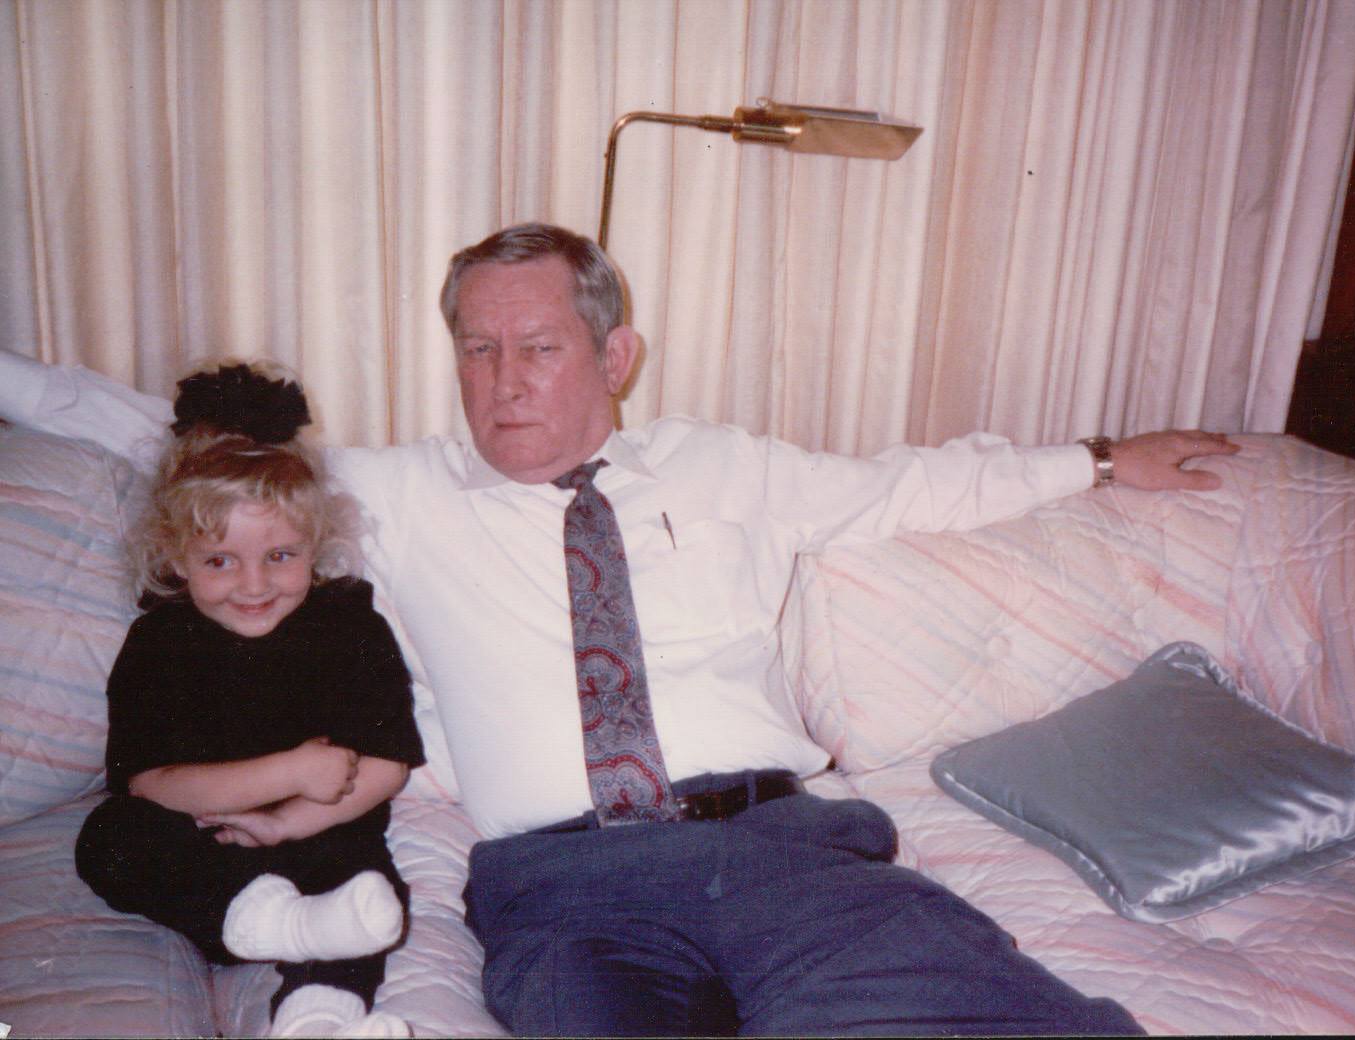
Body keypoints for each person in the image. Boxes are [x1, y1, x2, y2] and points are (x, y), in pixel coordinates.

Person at [1, 223, 1238, 1036]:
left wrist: (1096, 458)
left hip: (791, 857)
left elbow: (915, 482)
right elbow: (163, 439)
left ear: (616, 352)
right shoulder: (396, 493)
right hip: (568, 891)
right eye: (477, 349)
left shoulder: (727, 464)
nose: (502, 381)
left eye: (538, 347)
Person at [71, 362, 425, 1039]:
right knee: (108, 838)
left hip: (318, 832)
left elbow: (387, 764)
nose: (254, 585)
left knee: (367, 893)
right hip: (201, 848)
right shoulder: (160, 639)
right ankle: (271, 922)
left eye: (281, 556)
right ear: (176, 556)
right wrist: (288, 772)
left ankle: (316, 1017)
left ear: (315, 544)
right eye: (220, 561)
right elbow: (150, 783)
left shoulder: (349, 625)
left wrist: (288, 821)